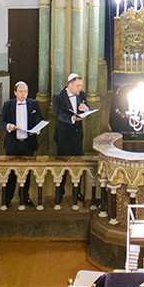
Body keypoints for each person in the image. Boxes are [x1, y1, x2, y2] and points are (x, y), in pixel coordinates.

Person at [0, 80, 44, 208]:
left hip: (27, 144)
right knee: (11, 173)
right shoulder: (8, 105)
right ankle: (8, 198)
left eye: (25, 91)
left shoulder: (33, 104)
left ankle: (24, 197)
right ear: (15, 92)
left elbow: (39, 119)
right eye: (21, 91)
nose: (23, 94)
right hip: (13, 144)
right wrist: (9, 126)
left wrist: (37, 128)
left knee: (26, 173)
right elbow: (2, 122)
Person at [52, 74, 88, 204]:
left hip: (77, 136)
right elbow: (58, 115)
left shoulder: (81, 94)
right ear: (70, 84)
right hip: (64, 137)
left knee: (77, 165)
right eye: (78, 86)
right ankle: (59, 192)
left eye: (81, 86)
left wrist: (86, 109)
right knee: (62, 166)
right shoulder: (58, 97)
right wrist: (72, 119)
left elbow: (86, 107)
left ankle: (76, 191)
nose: (80, 88)